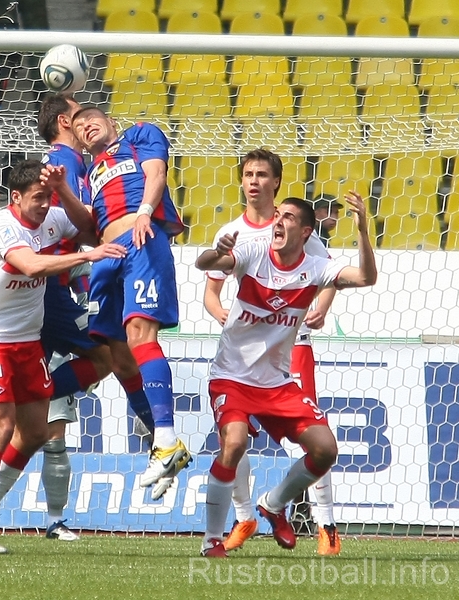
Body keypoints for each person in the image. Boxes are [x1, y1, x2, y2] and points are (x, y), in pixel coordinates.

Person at [0, 94, 156, 540]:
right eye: (78, 114)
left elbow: (86, 225)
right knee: (113, 357)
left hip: (43, 299)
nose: (86, 120)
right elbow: (54, 249)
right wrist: (96, 251)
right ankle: (157, 430)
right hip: (49, 294)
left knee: (31, 427)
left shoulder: (64, 172)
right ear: (64, 121)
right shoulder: (63, 164)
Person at [196, 194, 377, 558]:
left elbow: (366, 277)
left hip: (276, 383)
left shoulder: (315, 268)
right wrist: (217, 252)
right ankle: (212, 539)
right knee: (234, 444)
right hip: (232, 375)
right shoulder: (253, 252)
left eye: (288, 218)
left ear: (306, 231)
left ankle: (274, 504)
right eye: (278, 215)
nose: (278, 222)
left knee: (325, 450)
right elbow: (206, 263)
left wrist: (361, 230)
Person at [0, 158, 125, 554]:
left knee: (35, 432)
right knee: (0, 429)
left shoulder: (52, 216)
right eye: (38, 197)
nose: (44, 204)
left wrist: (64, 190)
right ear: (16, 197)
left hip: (28, 340)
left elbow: (90, 227)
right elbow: (32, 265)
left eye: (47, 197)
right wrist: (86, 257)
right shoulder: (3, 226)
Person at [202, 149, 342, 556]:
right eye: (248, 174)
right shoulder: (234, 233)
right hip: (243, 357)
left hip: (291, 349)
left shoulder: (299, 229)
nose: (254, 181)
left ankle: (325, 524)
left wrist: (322, 306)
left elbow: (329, 275)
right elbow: (211, 291)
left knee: (317, 439)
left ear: (275, 182)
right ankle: (244, 514)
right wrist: (224, 313)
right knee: (234, 439)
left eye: (262, 175)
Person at [63, 106, 192, 500]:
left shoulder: (138, 136)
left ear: (112, 123)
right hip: (107, 256)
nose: (86, 126)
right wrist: (63, 192)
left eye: (92, 119)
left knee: (140, 335)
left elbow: (156, 173)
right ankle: (164, 446)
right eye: (79, 126)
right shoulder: (90, 173)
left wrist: (144, 213)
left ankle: (166, 440)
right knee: (119, 359)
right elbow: (89, 228)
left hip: (140, 241)